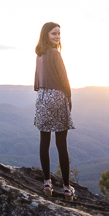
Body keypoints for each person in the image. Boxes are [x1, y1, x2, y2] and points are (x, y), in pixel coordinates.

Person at [34, 22, 75, 200]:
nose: (57, 37)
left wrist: (44, 96)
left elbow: (36, 82)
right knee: (61, 144)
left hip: (42, 97)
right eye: (54, 34)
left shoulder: (39, 55)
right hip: (58, 97)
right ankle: (66, 188)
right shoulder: (55, 54)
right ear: (46, 35)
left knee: (44, 141)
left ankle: (47, 183)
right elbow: (64, 78)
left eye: (59, 34)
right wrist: (69, 98)